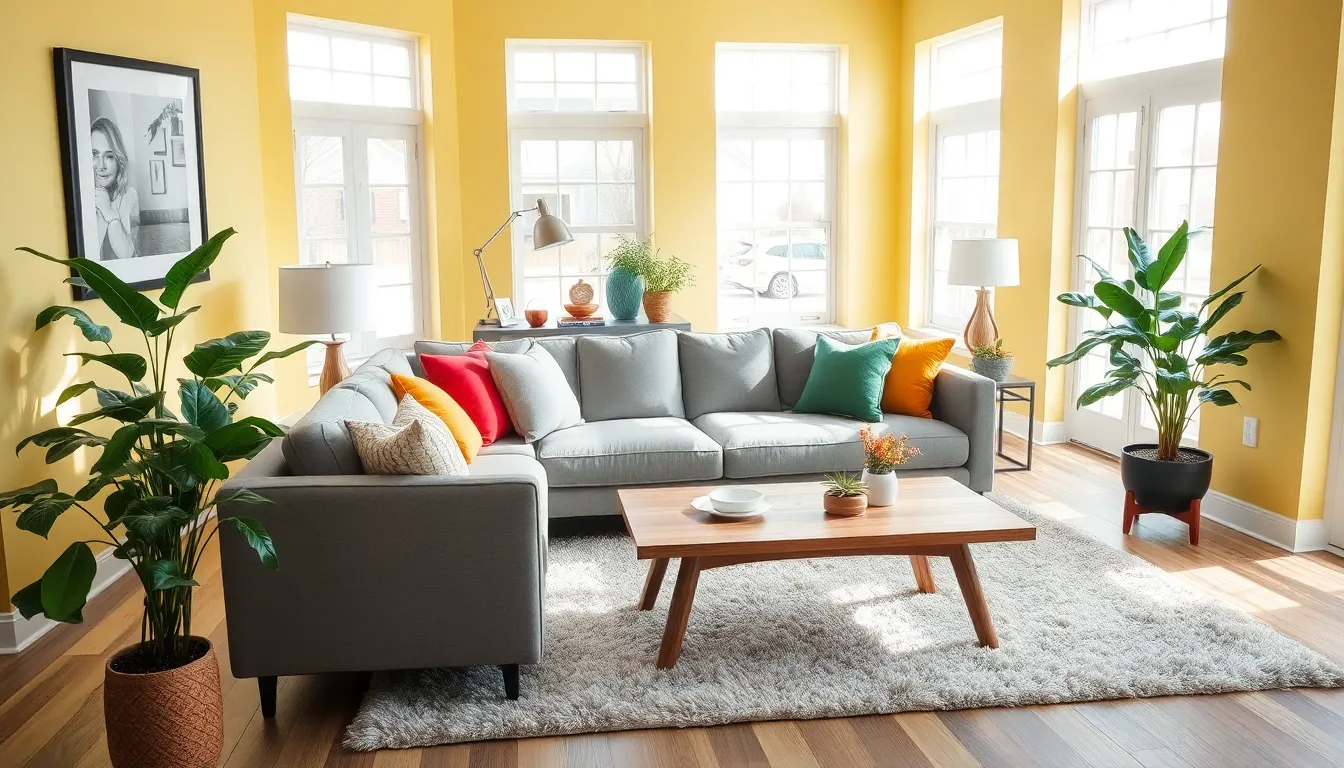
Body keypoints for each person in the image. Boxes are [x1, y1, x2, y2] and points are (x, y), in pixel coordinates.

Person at [90, 116, 139, 260]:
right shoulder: (82, 199)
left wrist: (109, 213)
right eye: (94, 154)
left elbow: (130, 257)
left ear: (119, 160)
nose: (101, 165)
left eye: (109, 156)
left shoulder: (129, 196)